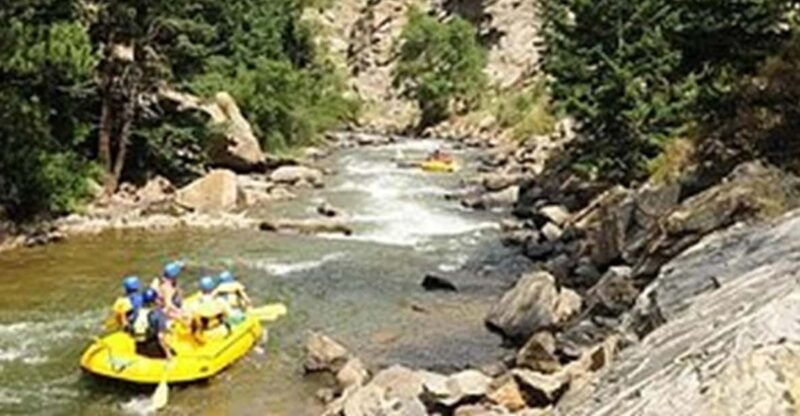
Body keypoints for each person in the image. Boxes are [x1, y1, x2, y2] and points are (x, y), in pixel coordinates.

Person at [131, 288, 172, 359]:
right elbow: (161, 336)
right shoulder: (158, 314)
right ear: (155, 300)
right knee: (174, 353)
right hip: (152, 348)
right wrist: (168, 354)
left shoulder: (137, 312)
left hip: (138, 347)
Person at [189, 276, 231, 343]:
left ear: (201, 289)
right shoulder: (220, 301)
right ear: (212, 288)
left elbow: (194, 323)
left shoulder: (195, 305)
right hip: (222, 332)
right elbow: (229, 315)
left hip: (206, 336)